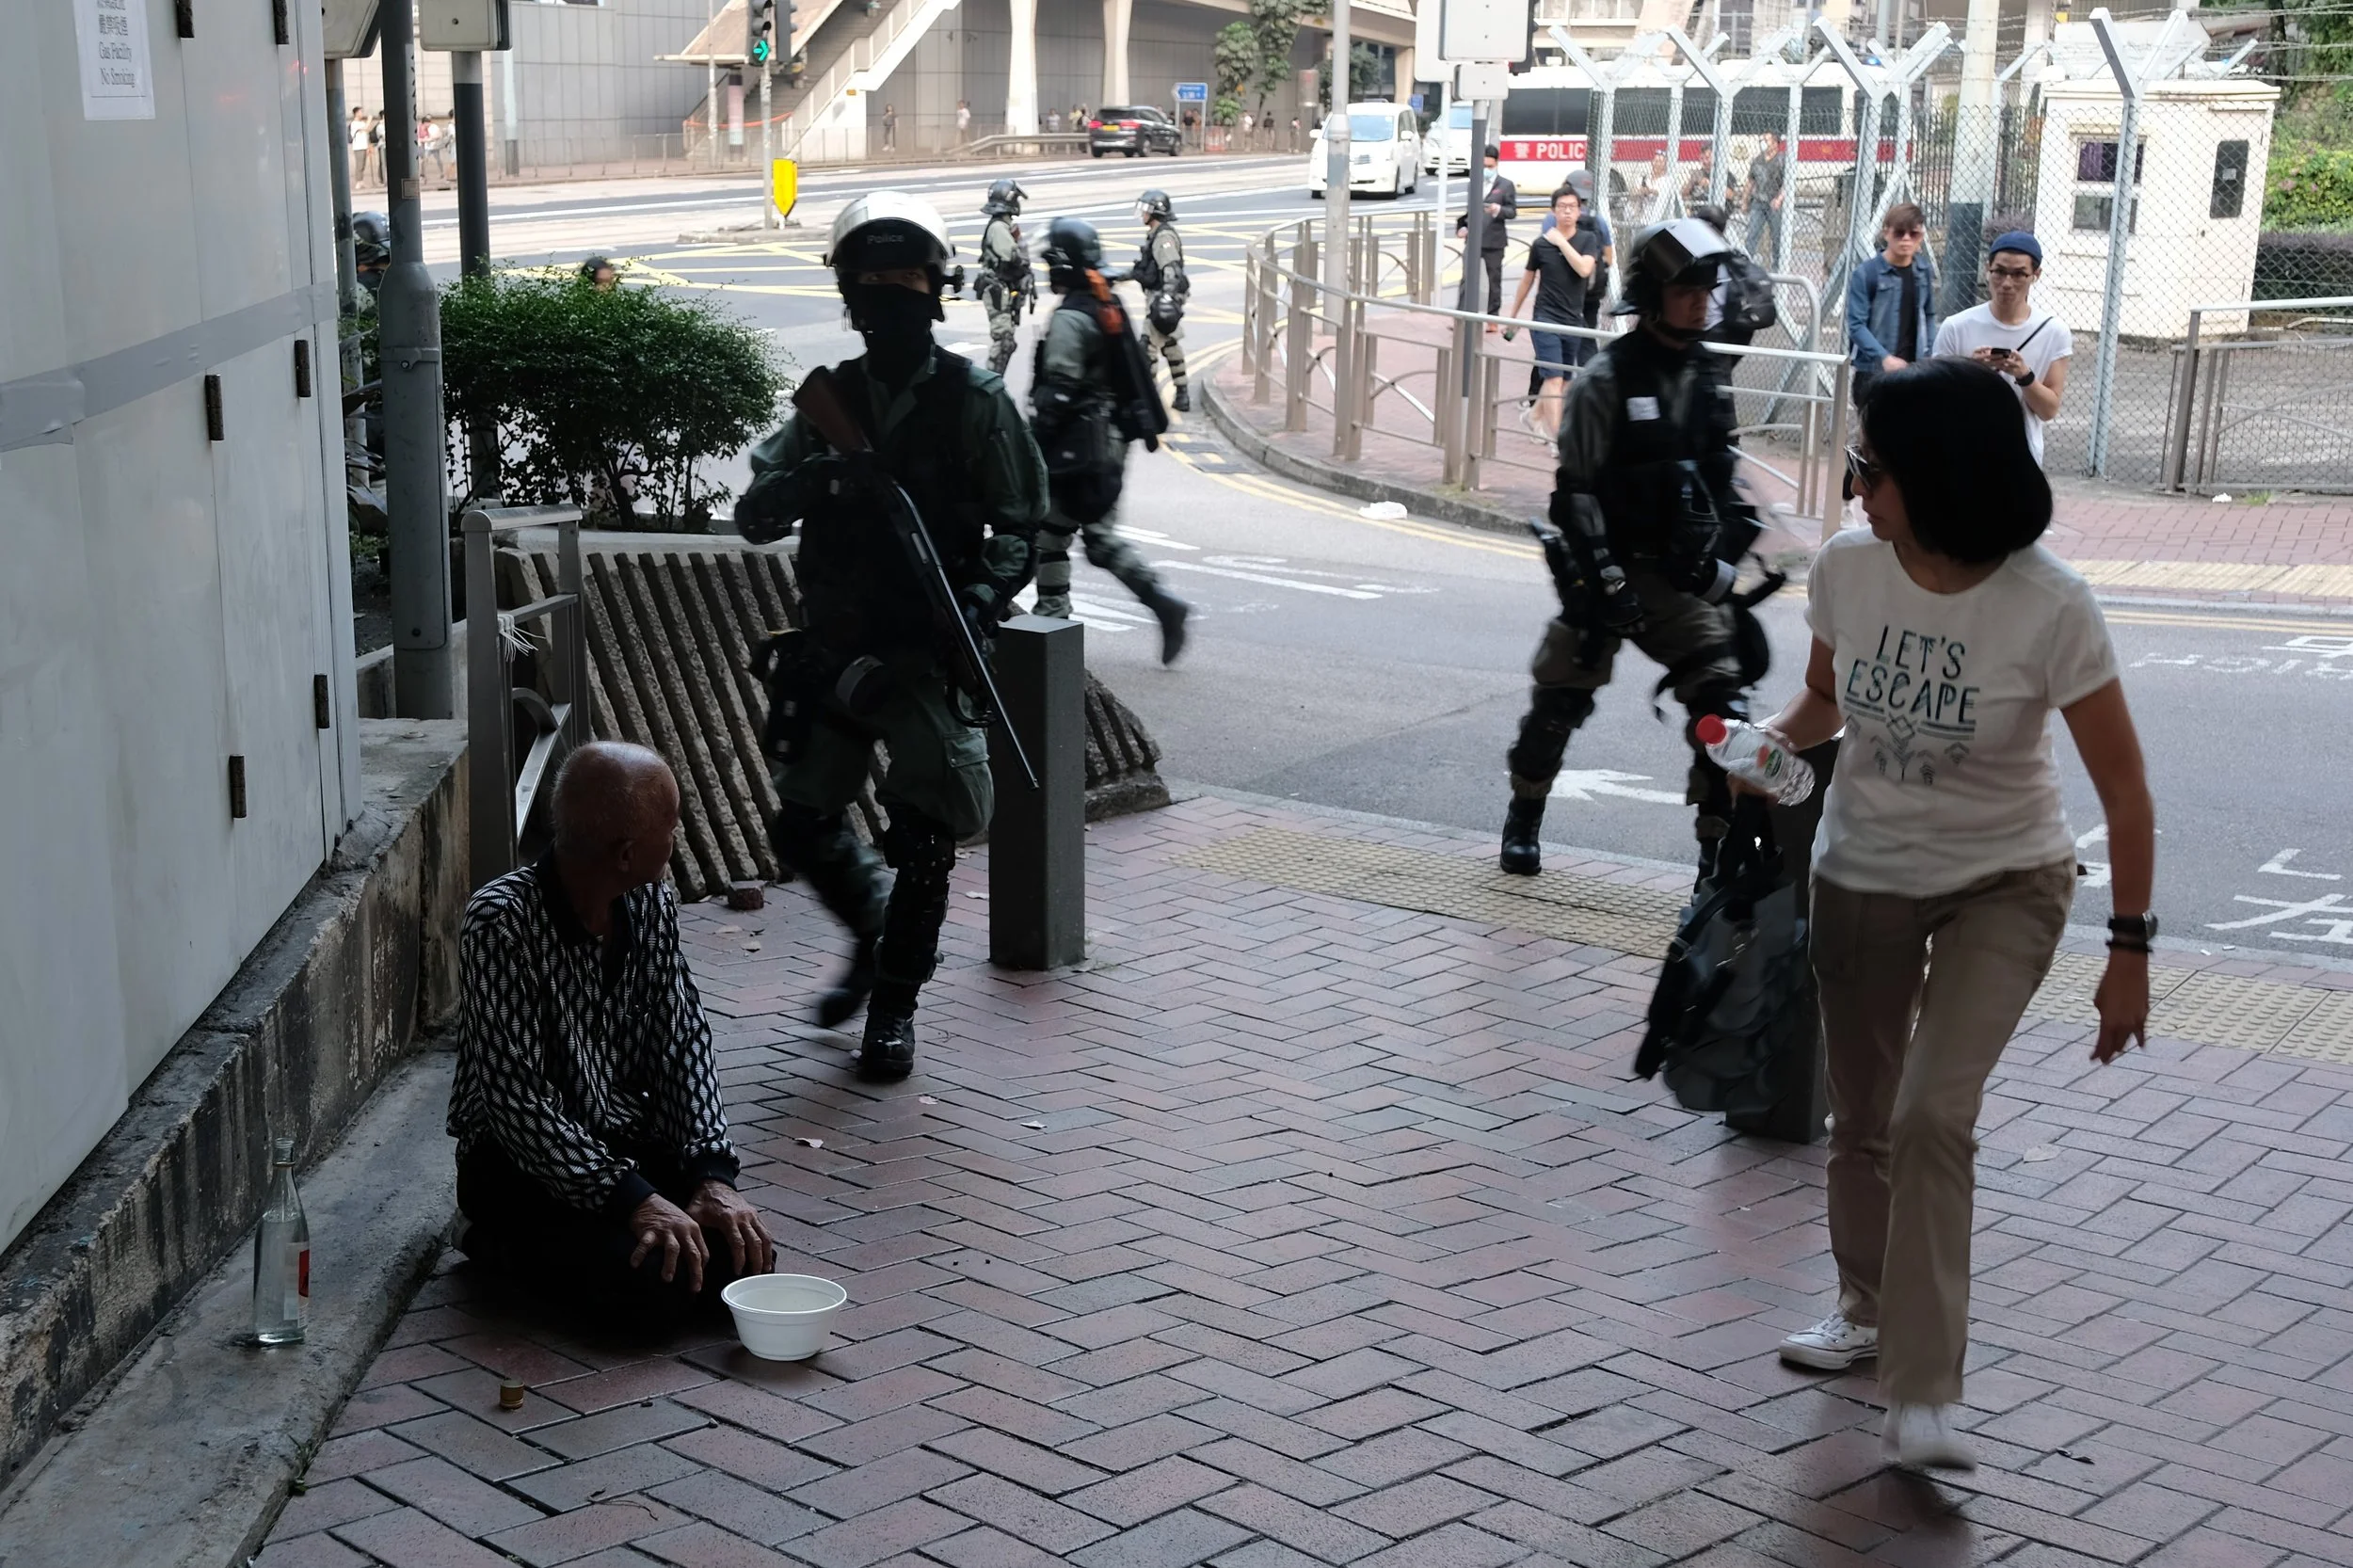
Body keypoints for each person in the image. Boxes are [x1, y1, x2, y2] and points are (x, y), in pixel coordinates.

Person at [1759, 358, 2153, 1473]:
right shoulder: (1847, 566)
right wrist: (1761, 746)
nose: (1853, 487)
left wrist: (2128, 952)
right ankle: (1864, 1306)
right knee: (1864, 1117)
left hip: (2005, 880)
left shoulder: (2049, 603)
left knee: (1933, 1113)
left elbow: (2125, 793)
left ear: (1939, 476)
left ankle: (1923, 1391)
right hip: (1863, 872)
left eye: (1870, 467)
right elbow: (1824, 698)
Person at [733, 192, 1048, 1081]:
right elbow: (755, 515)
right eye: (873, 284)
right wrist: (823, 477)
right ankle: (874, 932)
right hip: (836, 650)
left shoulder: (974, 400)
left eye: (907, 281)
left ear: (936, 291)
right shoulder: (828, 401)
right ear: (849, 297)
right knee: (802, 825)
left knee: (926, 836)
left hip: (923, 651)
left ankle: (895, 1008)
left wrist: (978, 600)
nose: (890, 299)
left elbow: (1021, 525)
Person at [449, 743, 777, 1328]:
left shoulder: (651, 901)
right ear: (626, 854)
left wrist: (711, 1174)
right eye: (670, 828)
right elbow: (518, 1104)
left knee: (739, 1262)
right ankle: (484, 1238)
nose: (676, 838)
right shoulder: (499, 921)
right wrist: (635, 1199)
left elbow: (682, 1041)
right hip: (520, 1159)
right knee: (648, 1292)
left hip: (619, 1134)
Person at [1499, 218, 1756, 879]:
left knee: (1722, 712)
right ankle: (1525, 812)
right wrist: (1606, 581)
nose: (1700, 301)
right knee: (1560, 698)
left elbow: (1723, 480)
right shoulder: (1606, 380)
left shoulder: (1706, 374)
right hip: (1605, 570)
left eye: (1706, 289)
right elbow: (1575, 494)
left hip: (1678, 577)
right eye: (1685, 289)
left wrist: (1721, 561)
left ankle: (1715, 853)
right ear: (1652, 294)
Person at [1030, 216, 1191, 662]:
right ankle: (1155, 606)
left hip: (1078, 444)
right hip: (1107, 439)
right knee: (1069, 534)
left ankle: (1054, 628)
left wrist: (1032, 444)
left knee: (1063, 535)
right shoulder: (1105, 302)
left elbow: (1059, 392)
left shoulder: (1072, 317)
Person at [1932, 232, 2071, 466]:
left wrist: (2024, 376)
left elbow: (2048, 410)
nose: (2007, 283)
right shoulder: (1956, 326)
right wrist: (1970, 370)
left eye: (2018, 274)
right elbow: (1933, 399)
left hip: (2021, 456)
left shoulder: (2053, 331)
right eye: (2000, 272)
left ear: (2035, 275)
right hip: (1961, 453)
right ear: (1988, 269)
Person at [1505, 184, 1600, 437]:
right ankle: (1559, 439)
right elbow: (1527, 281)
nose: (1567, 211)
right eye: (1562, 207)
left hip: (1573, 319)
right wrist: (1513, 317)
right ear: (1553, 211)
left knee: (1565, 381)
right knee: (1553, 378)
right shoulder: (1540, 245)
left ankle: (1533, 416)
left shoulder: (1588, 240)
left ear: (1579, 211)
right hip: (1545, 318)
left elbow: (1584, 269)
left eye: (1572, 207)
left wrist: (1561, 242)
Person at [1845, 202, 1936, 408]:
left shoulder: (1923, 271)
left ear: (1921, 236)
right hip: (1874, 372)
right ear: (1886, 233)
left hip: (1914, 371)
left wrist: (1930, 353)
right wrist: (1884, 358)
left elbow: (1929, 314)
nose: (1906, 239)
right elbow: (1856, 325)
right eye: (1899, 233)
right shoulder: (1866, 273)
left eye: (1913, 234)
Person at [1115, 188, 1192, 412]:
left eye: (1146, 210)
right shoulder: (1156, 235)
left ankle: (1148, 401)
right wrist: (1120, 276)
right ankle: (1182, 394)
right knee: (1169, 343)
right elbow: (1146, 269)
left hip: (1161, 299)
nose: (1143, 214)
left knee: (1146, 349)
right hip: (1160, 297)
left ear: (1156, 212)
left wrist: (1167, 298)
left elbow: (1171, 269)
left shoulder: (1164, 237)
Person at [1456, 144, 1517, 324]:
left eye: (1490, 166)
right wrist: (1463, 226)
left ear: (1496, 164)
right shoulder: (1473, 183)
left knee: (1494, 281)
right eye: (1483, 166)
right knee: (1466, 279)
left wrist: (1498, 210)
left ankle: (1492, 318)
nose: (1486, 170)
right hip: (1473, 239)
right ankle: (1462, 318)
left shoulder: (1506, 185)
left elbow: (1512, 212)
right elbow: (1470, 211)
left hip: (1495, 241)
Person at [976, 178, 1032, 376]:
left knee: (1006, 341)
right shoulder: (999, 227)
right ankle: (991, 384)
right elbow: (1012, 257)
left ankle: (994, 381)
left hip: (1003, 288)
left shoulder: (1004, 226)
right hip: (997, 290)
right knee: (1003, 341)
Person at [1744, 133, 1786, 264]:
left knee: (1777, 236)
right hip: (1758, 202)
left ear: (1775, 143)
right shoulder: (1757, 160)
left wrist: (1779, 199)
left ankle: (1778, 265)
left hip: (1774, 203)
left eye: (1766, 140)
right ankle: (1746, 262)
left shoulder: (1782, 159)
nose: (1763, 143)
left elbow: (1787, 183)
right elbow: (1750, 182)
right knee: (1752, 234)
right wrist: (1744, 201)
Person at [348, 107, 371, 189]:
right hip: (358, 147)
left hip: (364, 146)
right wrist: (369, 120)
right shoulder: (354, 123)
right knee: (359, 165)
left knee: (363, 165)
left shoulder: (362, 123)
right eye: (361, 112)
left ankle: (361, 181)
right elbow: (365, 128)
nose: (362, 113)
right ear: (356, 113)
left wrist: (368, 146)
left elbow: (367, 130)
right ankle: (358, 182)